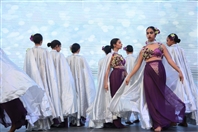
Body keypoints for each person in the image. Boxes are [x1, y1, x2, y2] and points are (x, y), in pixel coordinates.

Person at [124, 26, 186, 131]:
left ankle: (163, 119)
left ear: (155, 34)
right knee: (151, 97)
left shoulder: (161, 46)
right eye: (147, 33)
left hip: (160, 72)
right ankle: (157, 123)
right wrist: (129, 76)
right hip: (148, 73)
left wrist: (179, 70)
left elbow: (170, 60)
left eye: (151, 32)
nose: (149, 34)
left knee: (160, 96)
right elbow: (138, 65)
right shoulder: (143, 49)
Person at [24, 33, 63, 130]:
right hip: (44, 79)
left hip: (33, 80)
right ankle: (44, 122)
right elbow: (49, 68)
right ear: (41, 41)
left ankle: (35, 123)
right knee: (44, 97)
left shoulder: (29, 52)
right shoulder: (45, 52)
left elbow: (26, 68)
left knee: (34, 100)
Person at [0, 48, 44, 132]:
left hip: (4, 78)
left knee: (9, 100)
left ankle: (18, 121)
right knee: (7, 101)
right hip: (5, 78)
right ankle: (18, 121)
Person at [164, 33, 198, 126]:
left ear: (171, 40)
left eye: (167, 40)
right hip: (182, 73)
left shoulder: (170, 50)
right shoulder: (181, 49)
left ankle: (173, 120)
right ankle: (183, 119)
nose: (166, 42)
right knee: (183, 94)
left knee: (173, 95)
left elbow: (168, 63)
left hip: (173, 75)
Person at [47, 40, 77, 127]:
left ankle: (53, 121)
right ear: (57, 46)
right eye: (60, 46)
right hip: (60, 81)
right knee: (62, 99)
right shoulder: (59, 55)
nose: (60, 48)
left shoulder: (47, 55)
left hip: (50, 81)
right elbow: (65, 71)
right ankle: (62, 121)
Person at [66, 43, 96, 126]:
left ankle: (73, 119)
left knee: (73, 98)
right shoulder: (82, 58)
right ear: (78, 49)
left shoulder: (68, 58)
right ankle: (80, 119)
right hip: (81, 82)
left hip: (71, 82)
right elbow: (87, 72)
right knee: (81, 98)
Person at [87, 45, 112, 128]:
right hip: (108, 79)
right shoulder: (110, 58)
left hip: (102, 80)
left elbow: (99, 73)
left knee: (103, 98)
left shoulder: (101, 60)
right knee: (107, 98)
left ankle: (104, 116)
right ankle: (108, 117)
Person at [103, 38, 127, 128]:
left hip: (121, 76)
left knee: (120, 97)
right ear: (114, 44)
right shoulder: (111, 55)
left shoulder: (119, 55)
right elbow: (108, 69)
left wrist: (127, 76)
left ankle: (119, 119)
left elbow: (123, 67)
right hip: (116, 75)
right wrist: (105, 82)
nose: (121, 44)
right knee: (115, 96)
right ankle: (115, 120)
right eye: (119, 43)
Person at [123, 45, 139, 125]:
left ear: (126, 51)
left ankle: (127, 119)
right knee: (135, 98)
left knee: (127, 98)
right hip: (135, 81)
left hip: (127, 81)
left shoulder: (125, 59)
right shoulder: (136, 58)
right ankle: (136, 117)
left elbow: (123, 70)